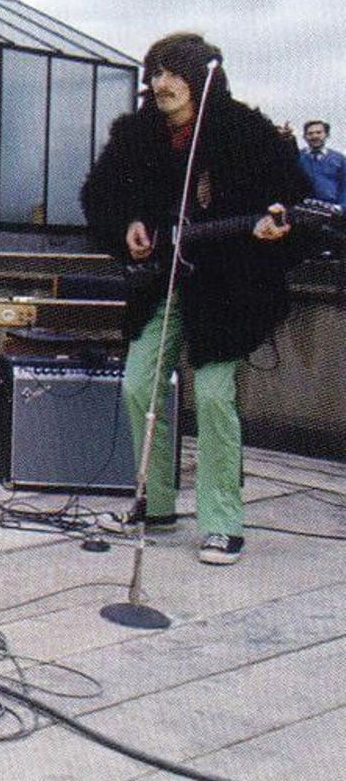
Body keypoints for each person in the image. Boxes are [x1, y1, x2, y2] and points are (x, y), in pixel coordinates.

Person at [81, 32, 311, 566]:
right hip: (162, 283)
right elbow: (100, 195)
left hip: (226, 289)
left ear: (201, 78)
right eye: (154, 73)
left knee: (211, 395)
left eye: (171, 72)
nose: (160, 83)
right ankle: (155, 503)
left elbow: (291, 199)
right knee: (139, 385)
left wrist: (276, 226)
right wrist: (129, 224)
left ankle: (222, 521)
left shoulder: (244, 130)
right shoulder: (135, 134)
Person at [297, 120, 346, 210]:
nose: (315, 136)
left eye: (319, 132)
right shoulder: (297, 157)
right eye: (310, 133)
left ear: (327, 135)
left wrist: (342, 207)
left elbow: (344, 185)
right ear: (304, 137)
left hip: (332, 209)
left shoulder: (339, 159)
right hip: (303, 208)